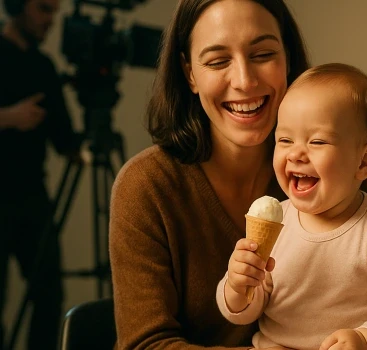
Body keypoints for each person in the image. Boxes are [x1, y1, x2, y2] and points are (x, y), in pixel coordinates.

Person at [108, 0, 310, 348]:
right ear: (189, 74)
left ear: (287, 59)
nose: (245, 81)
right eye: (217, 61)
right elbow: (146, 344)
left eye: (263, 54)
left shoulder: (325, 169)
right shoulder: (146, 187)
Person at [216, 63, 367, 350]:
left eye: (317, 141)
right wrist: (237, 287)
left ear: (364, 161)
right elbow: (248, 309)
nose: (296, 154)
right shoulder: (279, 223)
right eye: (285, 140)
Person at [0, 0, 79, 348]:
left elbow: (64, 138)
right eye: (44, 9)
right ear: (17, 6)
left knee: (49, 293)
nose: (51, 21)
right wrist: (8, 117)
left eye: (54, 12)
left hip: (32, 196)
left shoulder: (44, 66)